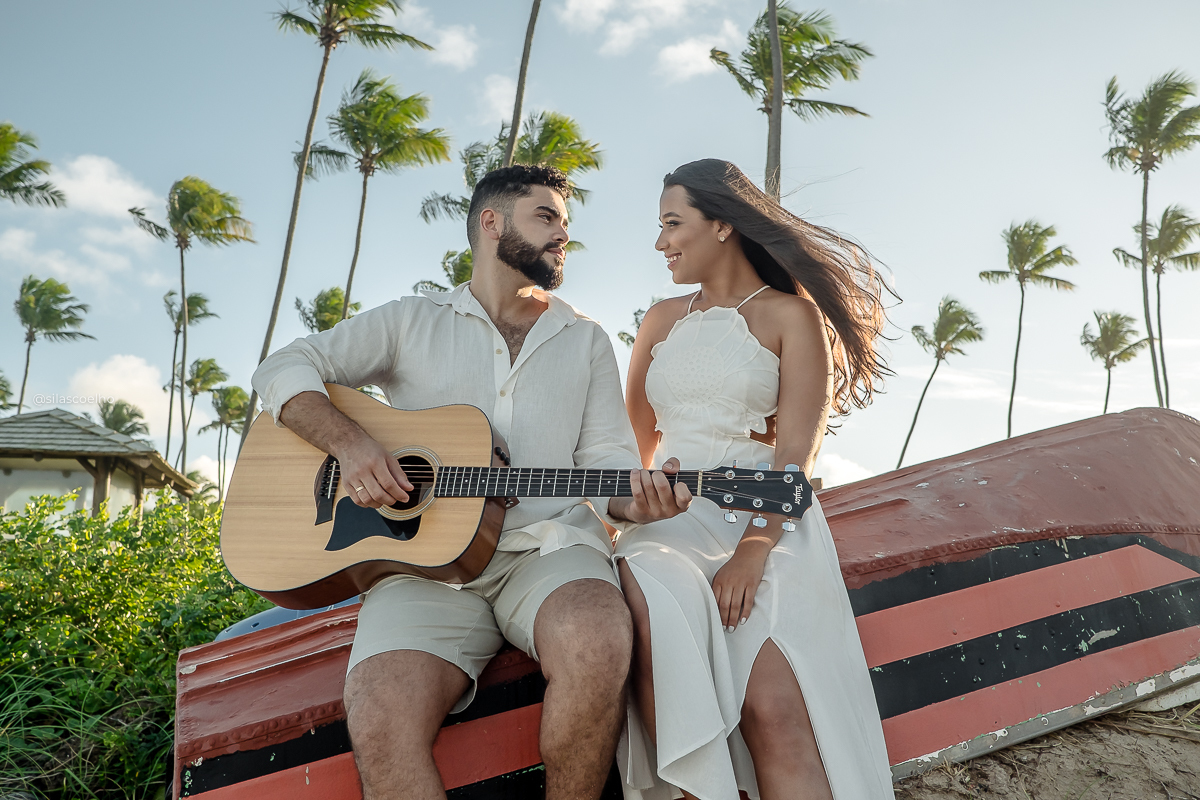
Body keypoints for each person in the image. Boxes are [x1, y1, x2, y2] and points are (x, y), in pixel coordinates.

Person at [251, 165, 692, 800]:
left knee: (596, 640)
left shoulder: (586, 340)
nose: (560, 236)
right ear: (491, 222)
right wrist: (351, 445)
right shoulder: (411, 319)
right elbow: (284, 366)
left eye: (565, 225)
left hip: (547, 551)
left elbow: (609, 470)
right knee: (378, 710)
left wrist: (643, 502)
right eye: (545, 218)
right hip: (421, 569)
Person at [614, 159, 895, 800]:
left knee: (774, 710)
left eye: (672, 224)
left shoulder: (790, 318)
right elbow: (632, 451)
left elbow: (795, 457)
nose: (661, 243)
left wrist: (752, 550)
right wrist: (626, 513)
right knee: (654, 587)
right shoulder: (658, 321)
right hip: (669, 520)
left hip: (768, 519)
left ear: (722, 225)